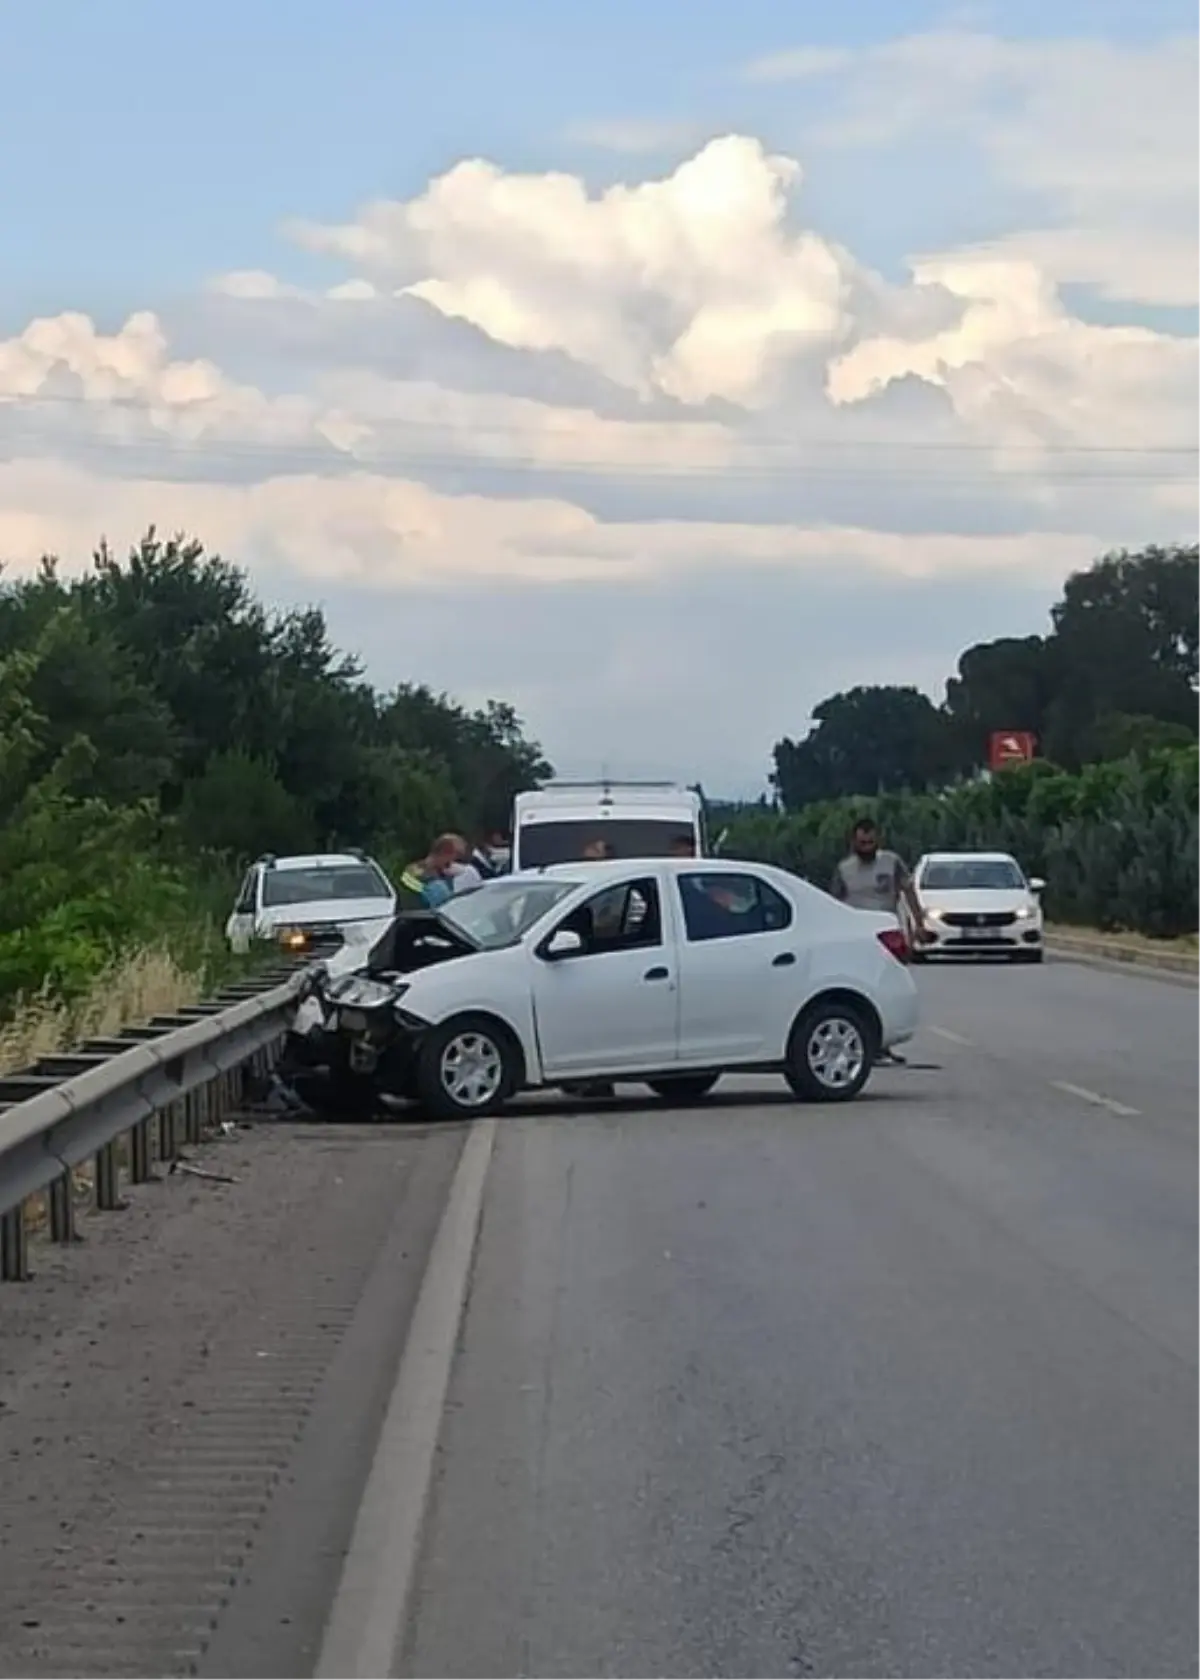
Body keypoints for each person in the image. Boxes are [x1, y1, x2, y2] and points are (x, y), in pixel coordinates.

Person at [829, 817, 928, 1065]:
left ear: (878, 840)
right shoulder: (844, 869)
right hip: (855, 939)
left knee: (888, 991)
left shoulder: (891, 862)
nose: (866, 847)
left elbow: (908, 890)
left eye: (871, 842)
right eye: (862, 842)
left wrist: (919, 924)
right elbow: (833, 903)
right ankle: (867, 1045)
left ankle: (886, 1045)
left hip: (887, 938)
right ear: (853, 841)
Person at [397, 834, 467, 910]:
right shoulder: (436, 885)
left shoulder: (410, 869)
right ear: (446, 852)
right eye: (455, 858)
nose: (452, 864)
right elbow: (448, 909)